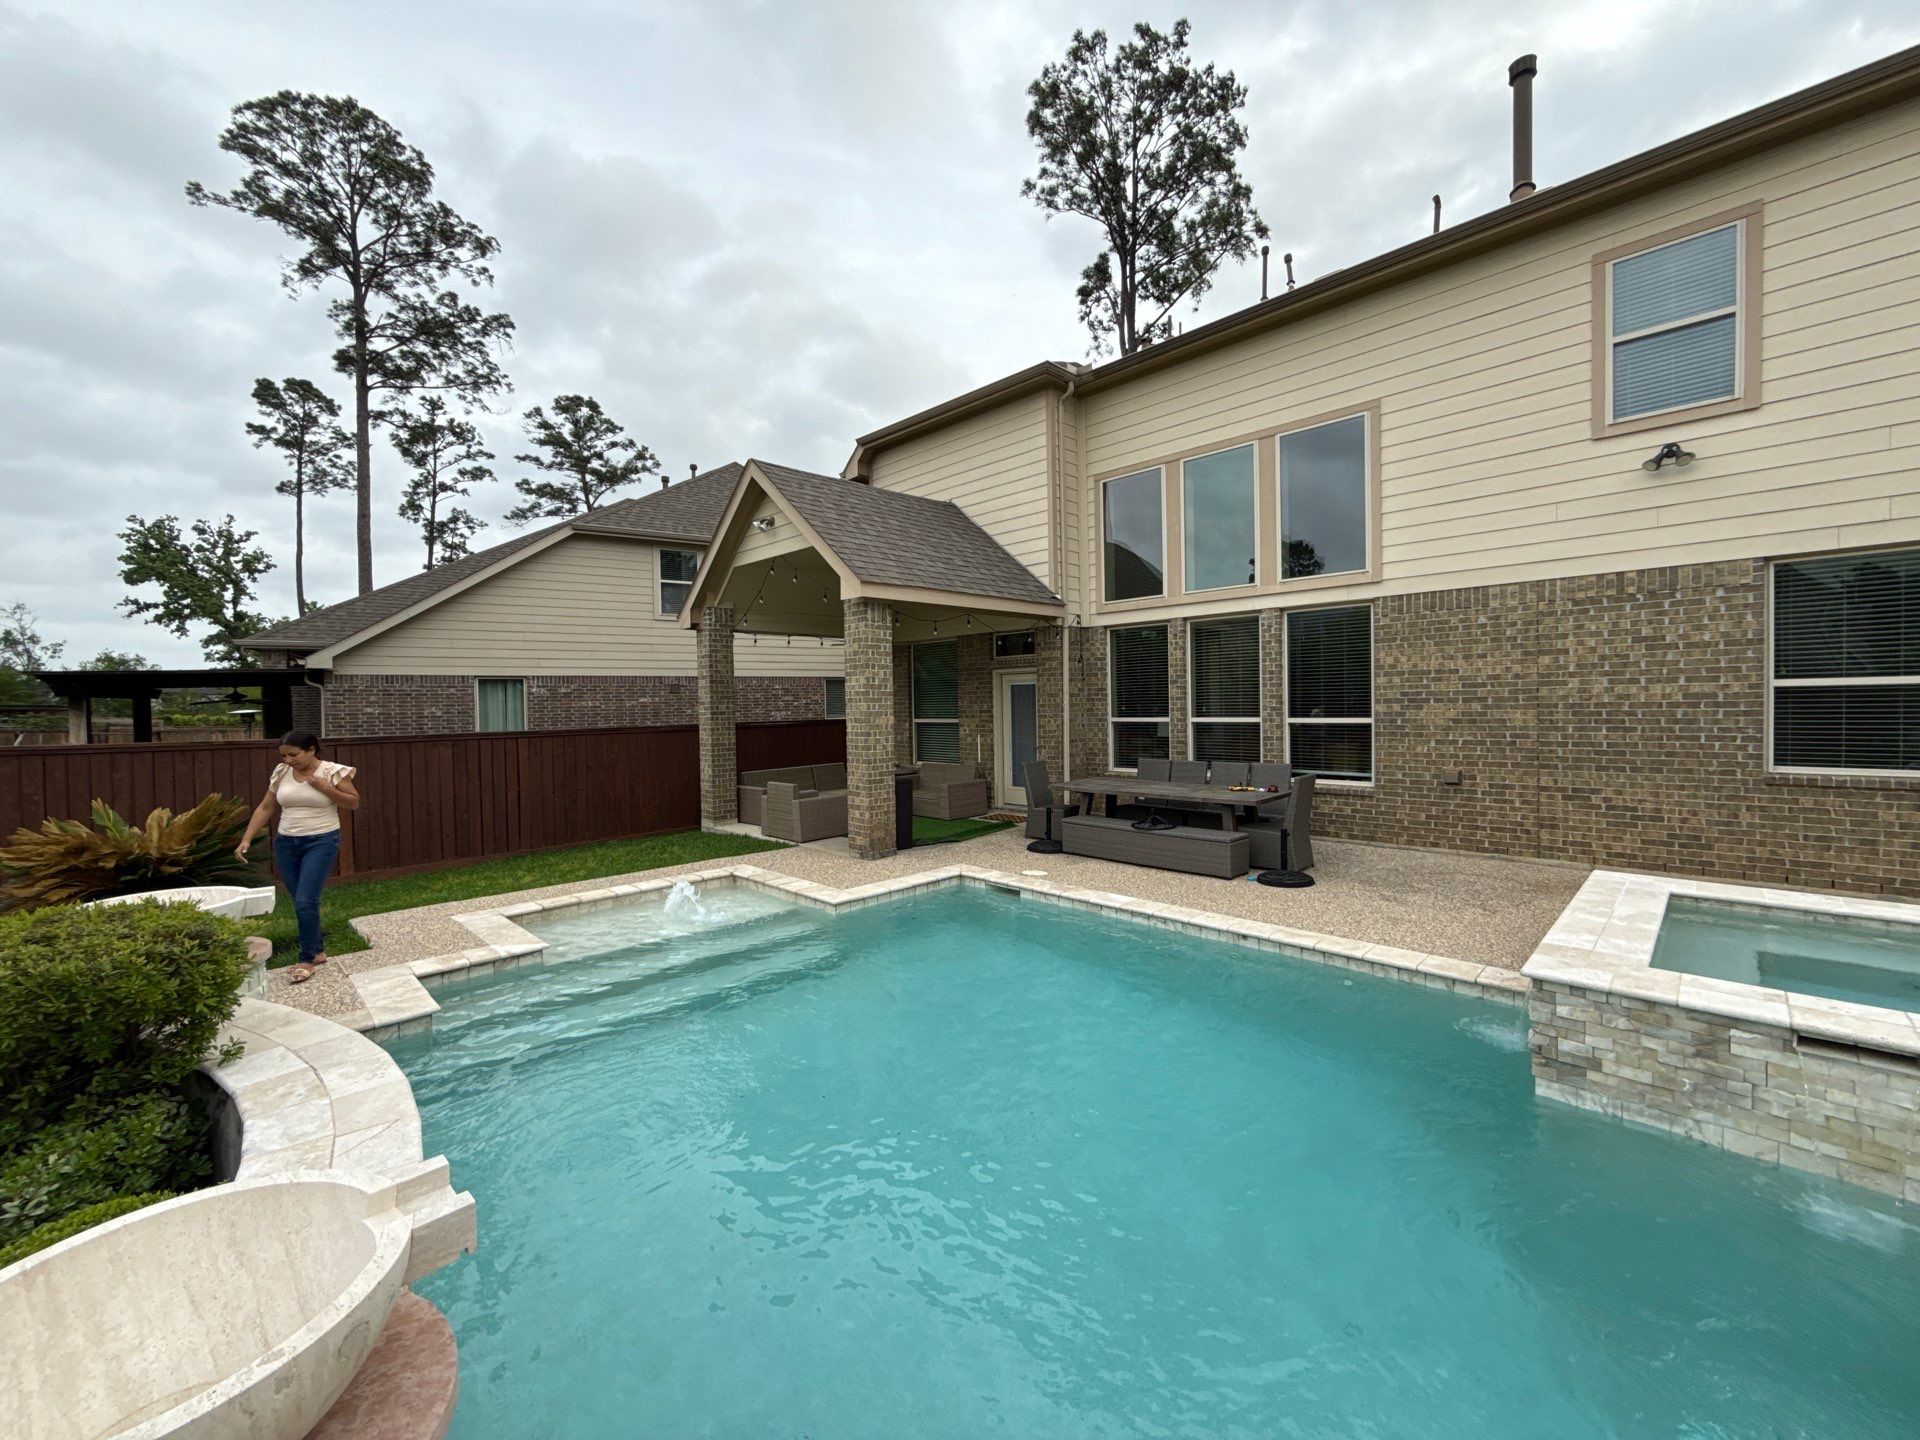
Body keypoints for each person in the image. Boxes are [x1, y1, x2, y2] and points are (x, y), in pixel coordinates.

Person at [236, 730, 360, 984]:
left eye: (293, 754)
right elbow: (266, 806)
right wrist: (246, 839)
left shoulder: (332, 771)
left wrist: (326, 788)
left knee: (305, 901)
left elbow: (352, 802)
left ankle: (306, 958)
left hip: (321, 840)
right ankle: (318, 951)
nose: (288, 760)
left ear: (312, 750)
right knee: (302, 901)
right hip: (286, 843)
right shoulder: (281, 772)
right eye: (283, 755)